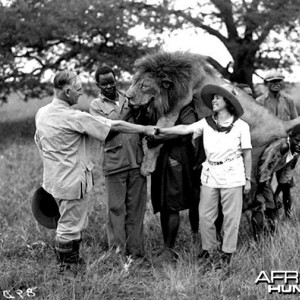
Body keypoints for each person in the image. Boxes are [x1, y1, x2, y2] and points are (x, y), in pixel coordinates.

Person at [34, 70, 156, 274]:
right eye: (78, 90)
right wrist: (144, 130)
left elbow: (38, 142)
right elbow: (114, 125)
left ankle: (71, 264)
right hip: (72, 180)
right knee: (70, 226)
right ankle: (68, 269)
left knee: (66, 222)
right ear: (66, 90)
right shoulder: (73, 116)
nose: (80, 94)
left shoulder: (42, 112)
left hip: (53, 180)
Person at [156, 83, 252, 265]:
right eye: (213, 97)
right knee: (205, 215)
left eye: (218, 97)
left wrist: (247, 179)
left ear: (228, 101)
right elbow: (185, 129)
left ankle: (227, 254)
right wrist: (161, 130)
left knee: (231, 217)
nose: (213, 100)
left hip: (233, 175)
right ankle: (209, 249)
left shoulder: (241, 126)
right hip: (210, 174)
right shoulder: (206, 123)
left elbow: (247, 153)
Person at [89, 66, 147, 259]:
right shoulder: (96, 106)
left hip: (137, 161)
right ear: (98, 85)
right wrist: (130, 114)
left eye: (111, 81)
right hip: (114, 163)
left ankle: (136, 251)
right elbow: (107, 130)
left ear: (116, 80)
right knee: (116, 209)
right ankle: (117, 252)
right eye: (104, 83)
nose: (108, 86)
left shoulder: (128, 97)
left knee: (136, 208)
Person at [145, 100, 202, 265]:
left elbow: (187, 129)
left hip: (176, 161)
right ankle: (166, 246)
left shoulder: (184, 107)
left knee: (172, 204)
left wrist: (159, 139)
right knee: (164, 204)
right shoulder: (160, 106)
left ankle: (170, 249)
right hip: (161, 160)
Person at [255, 70, 298, 219]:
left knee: (285, 183)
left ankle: (287, 214)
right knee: (265, 180)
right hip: (267, 147)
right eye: (272, 81)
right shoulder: (260, 101)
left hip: (286, 146)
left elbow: (295, 122)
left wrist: (295, 142)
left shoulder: (288, 100)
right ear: (267, 83)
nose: (276, 83)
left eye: (279, 81)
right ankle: (271, 209)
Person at [253, 125, 300, 237]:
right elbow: (264, 171)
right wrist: (259, 194)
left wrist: (276, 194)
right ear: (291, 137)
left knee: (272, 204)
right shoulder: (282, 147)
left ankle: (269, 234)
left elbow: (285, 178)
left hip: (264, 177)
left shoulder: (295, 153)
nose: (299, 144)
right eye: (297, 140)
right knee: (262, 204)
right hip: (255, 174)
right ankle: (260, 235)